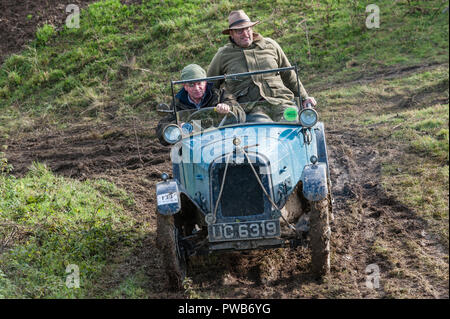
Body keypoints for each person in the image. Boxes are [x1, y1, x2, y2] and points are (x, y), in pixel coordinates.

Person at [207, 10, 317, 121]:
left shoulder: (271, 45)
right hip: (251, 110)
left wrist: (304, 98)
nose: (245, 34)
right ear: (231, 34)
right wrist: (219, 105)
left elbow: (289, 75)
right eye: (239, 31)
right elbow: (210, 86)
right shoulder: (223, 54)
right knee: (263, 128)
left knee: (292, 122)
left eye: (248, 29)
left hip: (281, 102)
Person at [156, 64, 244, 145]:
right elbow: (162, 130)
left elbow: (241, 114)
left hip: (220, 142)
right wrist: (177, 127)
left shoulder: (219, 95)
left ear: (205, 82)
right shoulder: (178, 102)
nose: (197, 88)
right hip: (193, 147)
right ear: (185, 86)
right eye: (191, 85)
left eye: (199, 83)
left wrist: (229, 108)